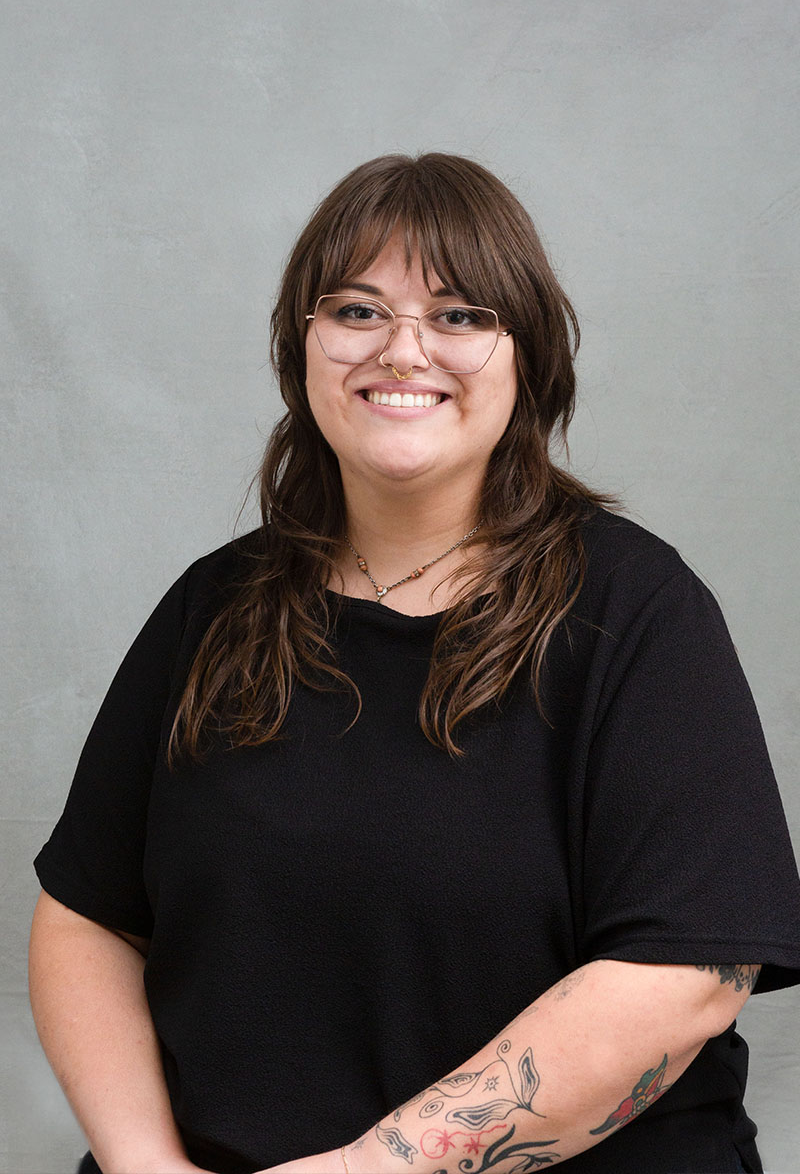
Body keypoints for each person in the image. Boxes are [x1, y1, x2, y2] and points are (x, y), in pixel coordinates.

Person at [29, 153, 800, 1174]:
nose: (402, 350)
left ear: (527, 356)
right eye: (356, 311)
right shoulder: (213, 607)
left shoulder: (635, 613)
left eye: (460, 315)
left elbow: (687, 977)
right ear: (301, 346)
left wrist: (362, 1172)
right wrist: (144, 1165)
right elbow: (86, 918)